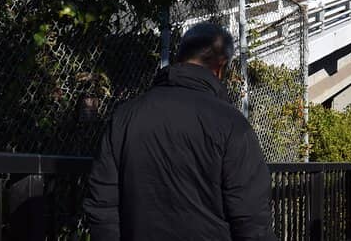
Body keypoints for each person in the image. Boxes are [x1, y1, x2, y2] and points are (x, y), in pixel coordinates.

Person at [83, 23, 275, 241]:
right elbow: (251, 217)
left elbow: (102, 202)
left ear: (179, 57)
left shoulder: (126, 115)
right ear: (220, 68)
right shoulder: (232, 124)